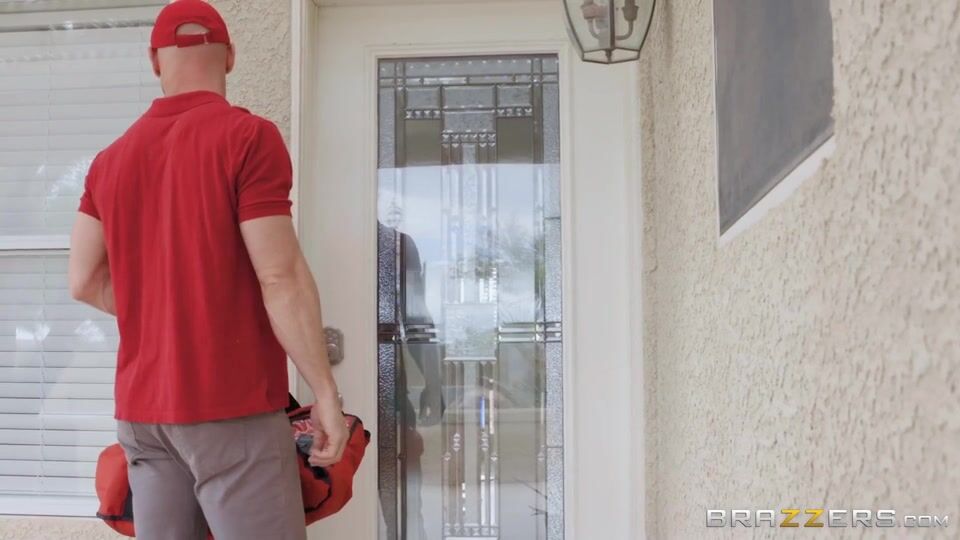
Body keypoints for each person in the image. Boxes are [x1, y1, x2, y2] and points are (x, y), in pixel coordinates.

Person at [67, 2, 346, 538]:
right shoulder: (248, 137)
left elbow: (83, 280)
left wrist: (162, 314)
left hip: (143, 417)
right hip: (231, 408)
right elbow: (281, 277)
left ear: (154, 60)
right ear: (231, 56)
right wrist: (326, 394)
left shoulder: (109, 160)